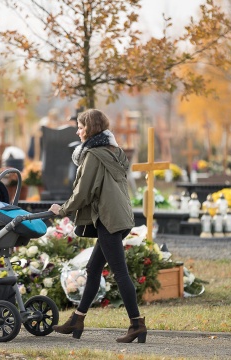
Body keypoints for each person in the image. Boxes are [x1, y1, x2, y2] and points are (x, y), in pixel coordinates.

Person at [48, 109, 146, 343]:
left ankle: (137, 324)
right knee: (93, 270)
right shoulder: (114, 151)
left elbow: (83, 192)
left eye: (81, 127)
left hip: (109, 220)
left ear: (89, 129)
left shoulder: (92, 155)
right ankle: (77, 319)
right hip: (119, 217)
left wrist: (61, 210)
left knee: (120, 273)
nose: (77, 130)